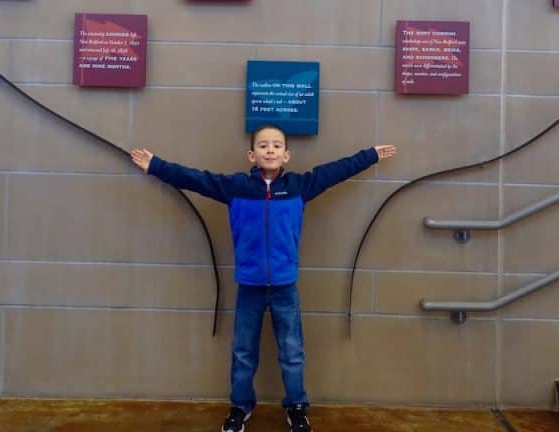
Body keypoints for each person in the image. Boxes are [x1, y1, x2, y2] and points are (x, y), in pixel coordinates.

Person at [130, 125, 396, 432]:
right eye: (264, 145)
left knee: (293, 353)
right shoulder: (236, 188)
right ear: (252, 154)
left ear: (286, 154)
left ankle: (296, 408)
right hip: (250, 288)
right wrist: (156, 166)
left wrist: (370, 155)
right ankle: (240, 407)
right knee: (243, 352)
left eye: (276, 145)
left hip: (285, 289)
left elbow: (337, 170)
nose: (270, 150)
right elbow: (195, 178)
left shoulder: (299, 186)